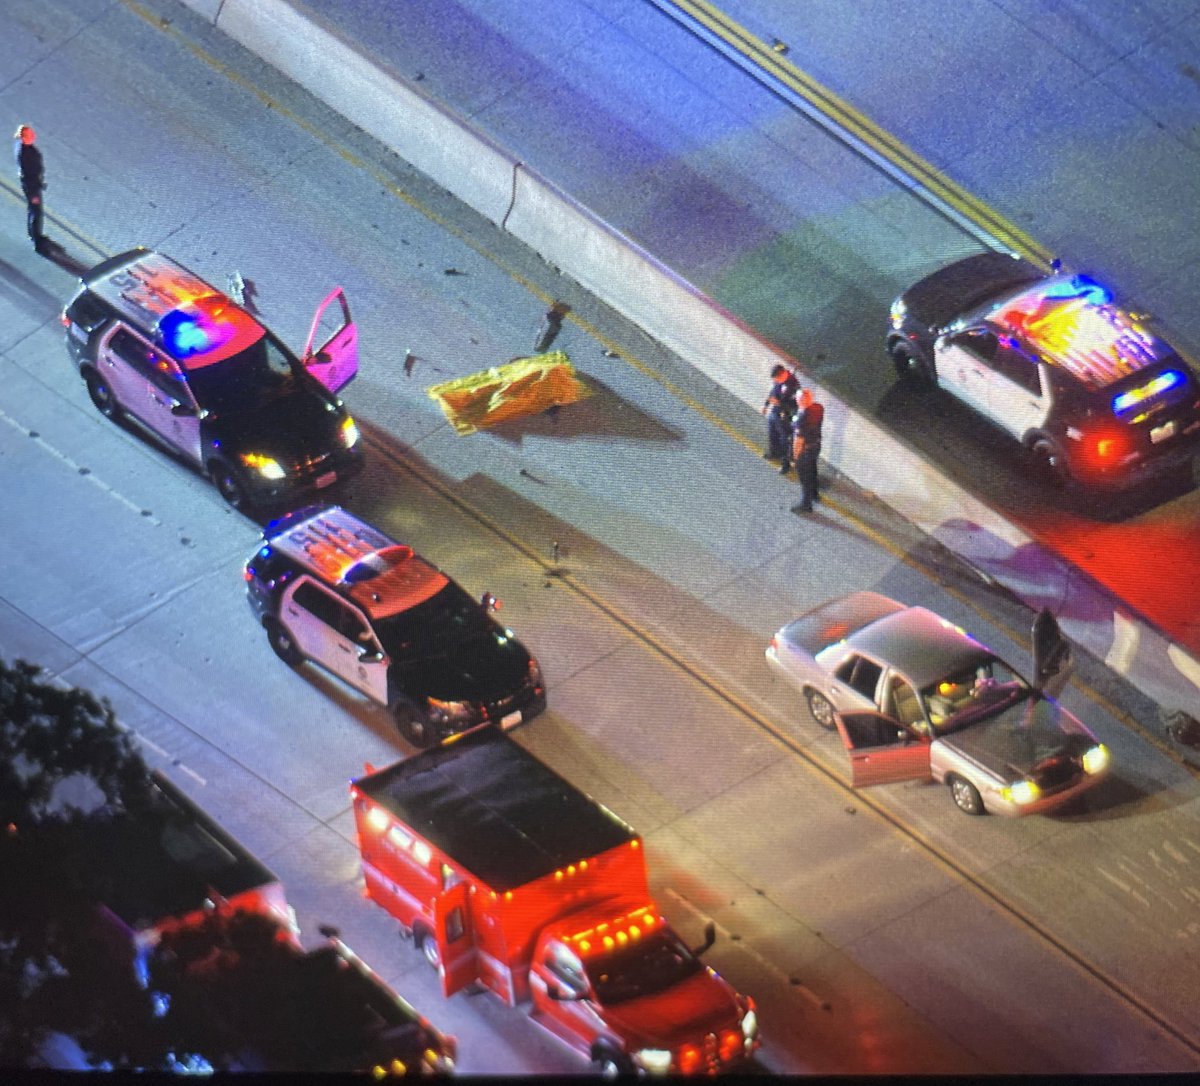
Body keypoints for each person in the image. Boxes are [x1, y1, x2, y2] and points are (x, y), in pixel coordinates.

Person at [786, 387, 824, 511]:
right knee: (813, 470)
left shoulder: (802, 417)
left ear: (801, 401)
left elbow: (798, 440)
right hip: (816, 446)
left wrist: (794, 458)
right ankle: (815, 494)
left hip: (805, 450)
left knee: (805, 477)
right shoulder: (818, 408)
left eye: (797, 398)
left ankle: (806, 504)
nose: (796, 400)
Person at [13, 124, 46, 252]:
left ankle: (34, 235)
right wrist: (36, 185)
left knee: (34, 211)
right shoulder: (24, 150)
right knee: (35, 211)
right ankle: (36, 239)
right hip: (32, 186)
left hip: (33, 184)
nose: (33, 136)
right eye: (30, 135)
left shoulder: (24, 147)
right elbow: (29, 170)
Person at [761, 363, 798, 460]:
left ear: (782, 374)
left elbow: (793, 405)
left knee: (784, 437)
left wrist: (779, 404)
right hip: (775, 411)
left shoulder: (793, 385)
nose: (775, 381)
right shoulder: (778, 381)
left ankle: (784, 458)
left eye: (777, 378)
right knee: (772, 433)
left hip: (785, 415)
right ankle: (773, 452)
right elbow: (772, 393)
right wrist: (766, 405)